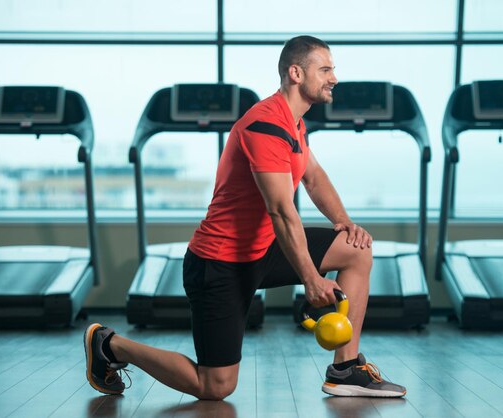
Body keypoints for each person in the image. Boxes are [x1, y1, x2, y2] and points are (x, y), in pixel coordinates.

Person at [84, 35, 406, 400]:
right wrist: (311, 279)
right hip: (219, 263)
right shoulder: (265, 126)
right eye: (326, 69)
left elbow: (314, 178)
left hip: (262, 249)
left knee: (355, 248)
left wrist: (345, 222)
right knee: (215, 387)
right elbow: (282, 211)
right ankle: (110, 346)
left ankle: (346, 369)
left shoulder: (295, 124)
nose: (334, 77)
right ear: (296, 73)